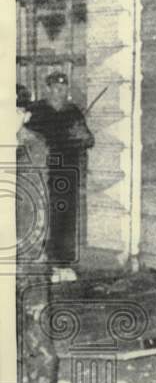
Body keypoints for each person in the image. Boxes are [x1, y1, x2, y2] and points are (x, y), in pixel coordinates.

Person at [15, 85, 69, 383]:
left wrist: (43, 259)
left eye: (13, 111)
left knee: (40, 340)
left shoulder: (34, 147)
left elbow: (41, 209)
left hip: (28, 259)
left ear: (24, 114)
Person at [26, 72, 94, 282]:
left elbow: (89, 139)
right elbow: (22, 135)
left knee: (66, 216)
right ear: (47, 88)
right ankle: (46, 259)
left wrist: (82, 135)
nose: (59, 92)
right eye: (55, 88)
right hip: (44, 169)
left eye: (63, 88)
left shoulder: (72, 111)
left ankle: (62, 262)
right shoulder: (37, 109)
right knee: (44, 213)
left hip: (68, 169)